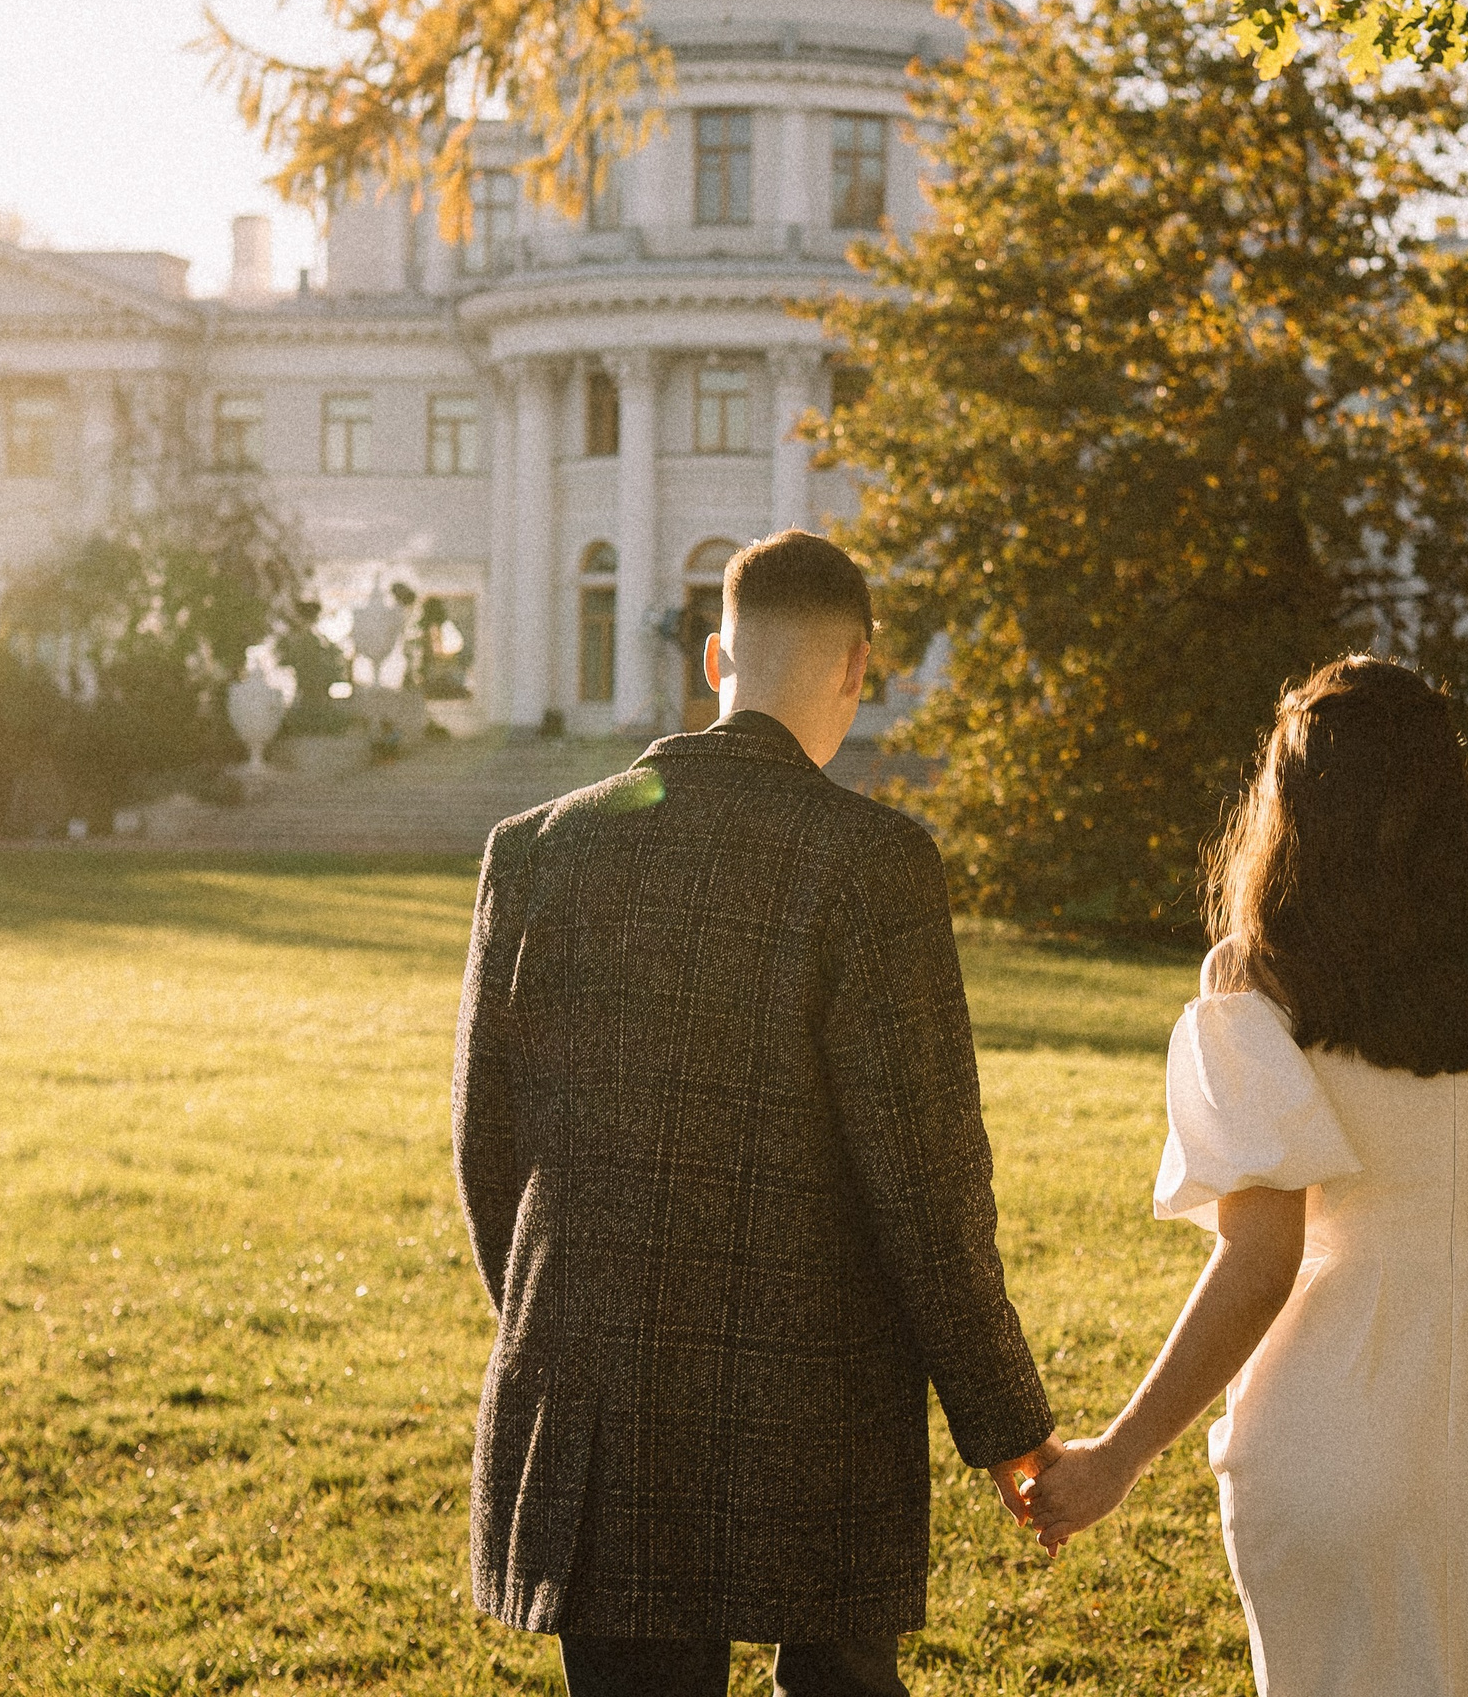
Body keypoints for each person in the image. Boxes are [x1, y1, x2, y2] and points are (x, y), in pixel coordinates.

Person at [453, 529, 1058, 1697]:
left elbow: (491, 1153)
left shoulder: (535, 850)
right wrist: (1006, 1423)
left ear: (717, 656)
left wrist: (559, 1330)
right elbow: (930, 1185)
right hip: (819, 1395)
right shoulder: (874, 862)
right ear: (857, 668)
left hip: (598, 1378)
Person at [1021, 655, 1468, 1696]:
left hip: (1331, 1418)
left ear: (1287, 796)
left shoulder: (1260, 972)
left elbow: (1261, 1258)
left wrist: (1117, 1456)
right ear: (1449, 790)